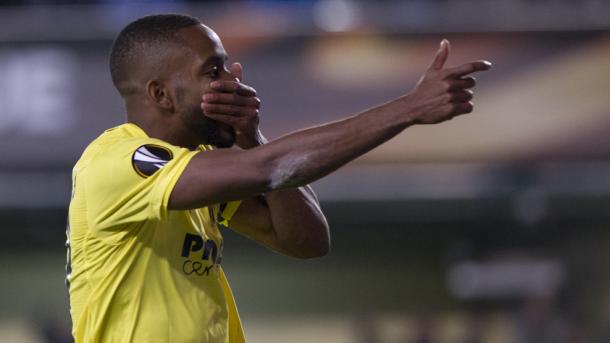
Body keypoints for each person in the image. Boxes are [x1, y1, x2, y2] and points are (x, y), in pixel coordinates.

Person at [66, 13, 491, 343]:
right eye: (213, 71)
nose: (233, 79)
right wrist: (407, 109)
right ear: (161, 94)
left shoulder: (196, 168)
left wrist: (252, 138)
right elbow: (271, 169)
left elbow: (306, 241)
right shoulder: (118, 162)